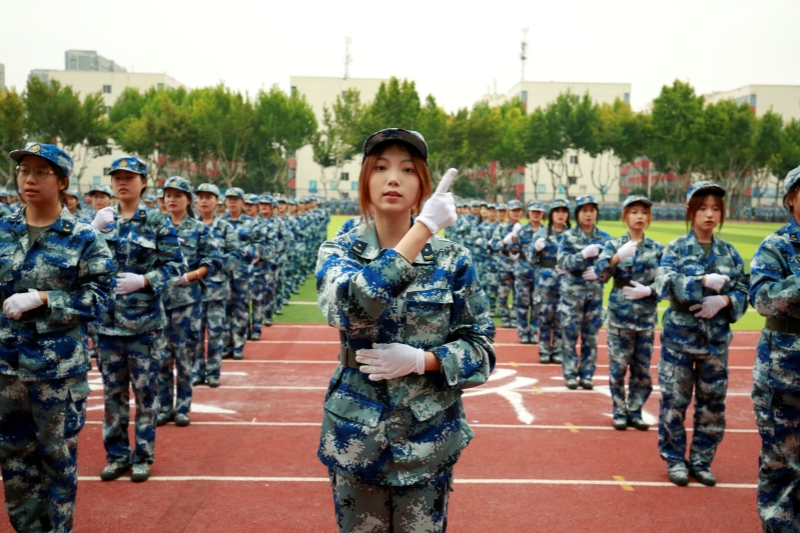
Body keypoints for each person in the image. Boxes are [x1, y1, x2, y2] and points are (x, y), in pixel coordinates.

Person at [316, 128, 495, 533]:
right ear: (365, 181)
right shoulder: (339, 251)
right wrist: (423, 229)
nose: (393, 179)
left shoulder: (453, 260)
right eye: (380, 168)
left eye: (407, 170)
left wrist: (423, 360)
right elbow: (350, 308)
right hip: (356, 435)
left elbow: (481, 351)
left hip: (428, 436)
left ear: (423, 187)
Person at [0, 142, 114, 533]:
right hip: (7, 368)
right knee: (14, 459)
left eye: (41, 172)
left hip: (57, 373)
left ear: (63, 181)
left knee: (57, 458)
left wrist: (45, 299)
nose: (29, 179)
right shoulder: (3, 229)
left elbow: (101, 297)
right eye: (24, 171)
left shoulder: (83, 237)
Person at [93, 157, 184, 483]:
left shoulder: (158, 222)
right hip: (107, 326)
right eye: (117, 177)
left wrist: (144, 280)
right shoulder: (101, 221)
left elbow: (176, 267)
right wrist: (92, 232)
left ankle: (143, 456)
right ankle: (116, 456)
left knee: (146, 395)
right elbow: (80, 264)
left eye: (129, 177)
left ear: (143, 182)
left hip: (144, 327)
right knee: (112, 396)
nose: (122, 182)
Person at [653, 181, 748, 487]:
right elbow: (663, 284)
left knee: (712, 407)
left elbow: (745, 289)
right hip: (680, 340)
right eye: (703, 208)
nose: (710, 214)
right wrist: (702, 282)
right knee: (674, 402)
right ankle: (675, 459)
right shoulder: (677, 248)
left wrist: (725, 300)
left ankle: (702, 461)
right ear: (690, 212)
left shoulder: (729, 252)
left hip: (715, 341)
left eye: (715, 209)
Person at [749, 165, 800, 531]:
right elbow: (762, 299)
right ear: (791, 199)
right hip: (784, 375)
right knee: (782, 465)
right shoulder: (776, 246)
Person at [594, 195, 663, 430]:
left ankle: (635, 410)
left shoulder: (657, 249)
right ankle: (619, 410)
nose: (639, 217)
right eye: (634, 212)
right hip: (619, 317)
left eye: (644, 212)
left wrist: (650, 290)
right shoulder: (614, 245)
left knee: (642, 370)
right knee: (618, 367)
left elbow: (666, 282)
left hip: (645, 317)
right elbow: (599, 273)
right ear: (625, 216)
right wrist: (617, 257)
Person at [157, 177, 220, 427]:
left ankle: (182, 407)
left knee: (184, 355)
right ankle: (164, 407)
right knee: (162, 356)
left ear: (188, 199)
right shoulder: (157, 227)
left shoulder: (199, 229)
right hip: (160, 301)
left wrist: (190, 276)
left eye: (177, 195)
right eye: (168, 195)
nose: (172, 200)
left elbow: (213, 261)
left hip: (187, 302)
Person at [557, 195, 611, 390]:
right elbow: (562, 262)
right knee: (569, 336)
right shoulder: (568, 236)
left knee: (591, 338)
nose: (588, 214)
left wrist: (600, 272)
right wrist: (582, 255)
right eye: (584, 210)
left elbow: (612, 265)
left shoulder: (605, 238)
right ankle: (570, 374)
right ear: (578, 213)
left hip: (594, 295)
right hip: (572, 294)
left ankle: (587, 375)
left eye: (592, 210)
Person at [194, 183, 241, 387]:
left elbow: (236, 256)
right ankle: (196, 372)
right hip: (192, 290)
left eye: (209, 197)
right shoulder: (189, 227)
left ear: (217, 201)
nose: (204, 201)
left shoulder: (225, 227)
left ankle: (213, 372)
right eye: (201, 197)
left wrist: (213, 265)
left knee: (215, 333)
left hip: (217, 290)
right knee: (194, 334)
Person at [528, 199, 570, 364]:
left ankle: (558, 351)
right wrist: (535, 249)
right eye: (557, 211)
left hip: (565, 283)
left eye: (564, 211)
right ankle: (544, 350)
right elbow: (531, 259)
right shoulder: (541, 233)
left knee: (561, 319)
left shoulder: (571, 234)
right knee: (544, 319)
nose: (560, 214)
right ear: (551, 214)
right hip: (545, 283)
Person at [221, 188, 260, 360]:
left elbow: (259, 246)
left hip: (243, 274)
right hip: (222, 275)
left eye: (235, 199)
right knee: (223, 311)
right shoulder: (219, 223)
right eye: (229, 199)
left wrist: (243, 251)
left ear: (242, 203)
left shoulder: (251, 224)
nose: (232, 203)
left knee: (241, 310)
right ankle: (225, 344)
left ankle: (238, 345)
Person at [513, 200, 545, 344]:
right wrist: (513, 236)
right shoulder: (522, 231)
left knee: (537, 304)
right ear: (529, 214)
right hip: (523, 272)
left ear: (542, 214)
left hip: (540, 273)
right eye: (533, 212)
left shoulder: (547, 232)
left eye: (539, 212)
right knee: (522, 302)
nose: (536, 214)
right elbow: (514, 250)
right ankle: (523, 332)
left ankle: (533, 331)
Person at [492, 199, 524, 328]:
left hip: (520, 265)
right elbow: (494, 245)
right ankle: (505, 317)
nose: (516, 213)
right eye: (513, 210)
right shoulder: (501, 227)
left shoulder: (524, 228)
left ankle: (515, 318)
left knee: (519, 293)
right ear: (508, 212)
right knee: (503, 293)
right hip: (504, 264)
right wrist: (505, 242)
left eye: (518, 210)